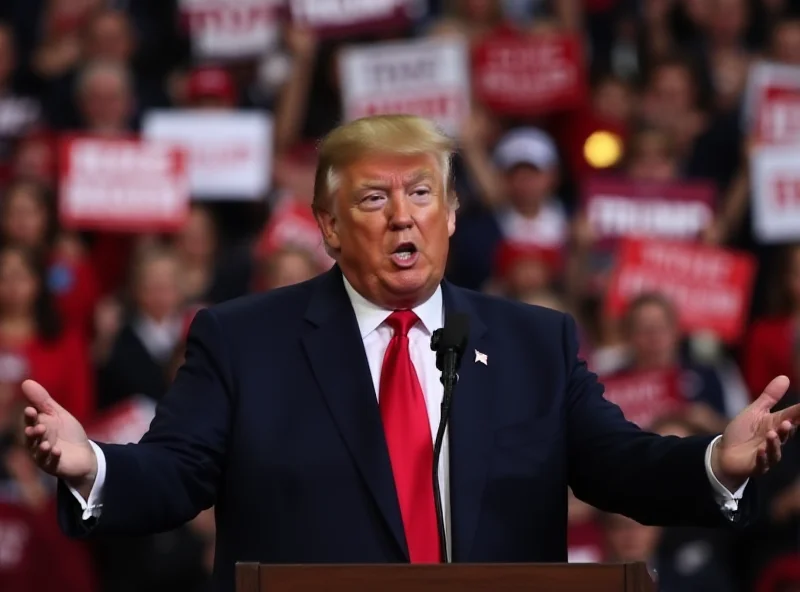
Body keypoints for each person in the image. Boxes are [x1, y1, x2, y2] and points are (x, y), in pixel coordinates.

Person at [18, 115, 800, 592]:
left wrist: (715, 464)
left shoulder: (534, 341)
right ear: (326, 225)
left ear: (453, 213)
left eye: (421, 194)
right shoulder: (241, 338)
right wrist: (93, 466)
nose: (403, 218)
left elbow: (618, 463)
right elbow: (177, 471)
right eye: (372, 199)